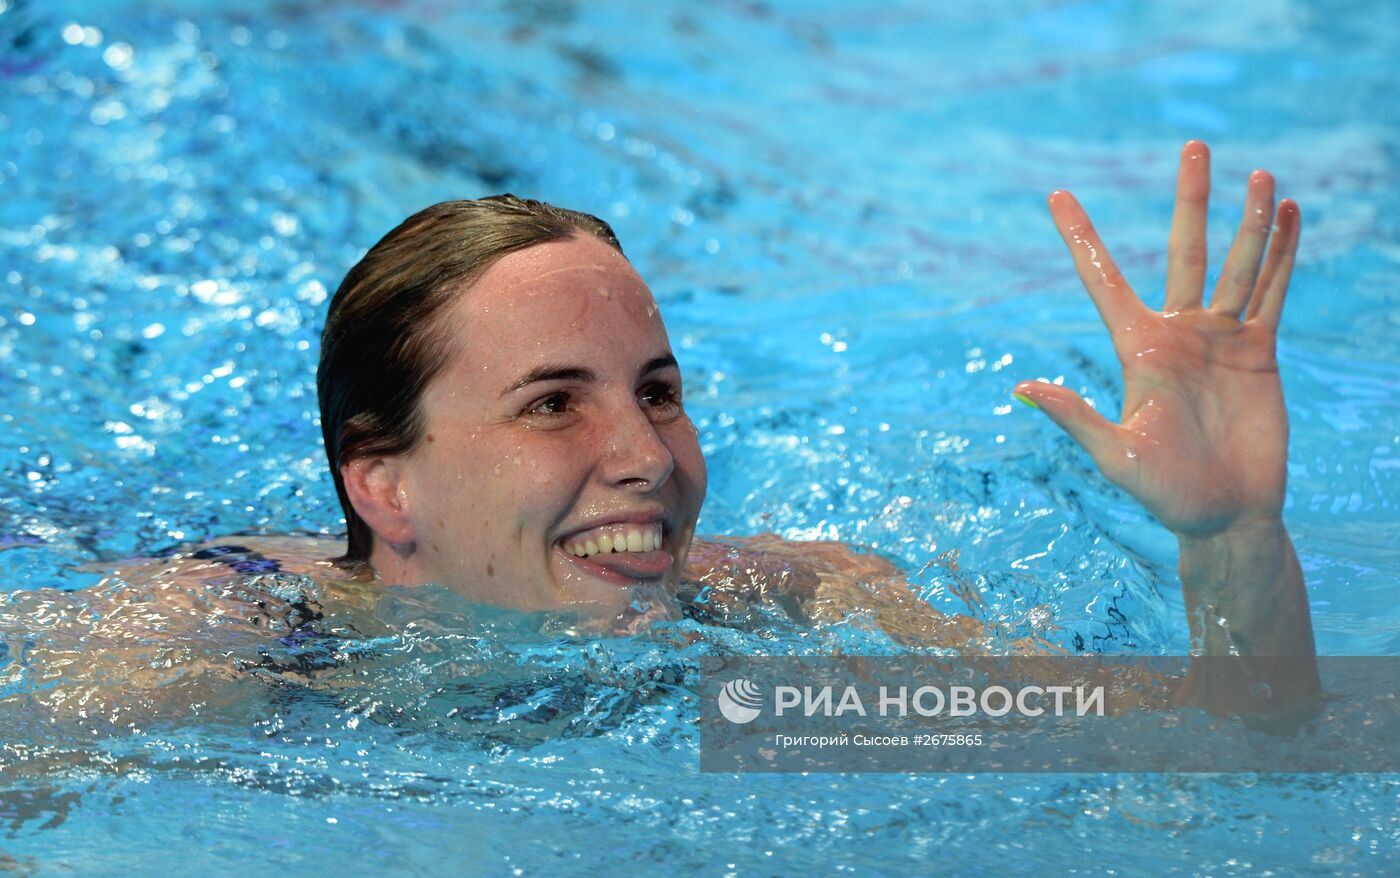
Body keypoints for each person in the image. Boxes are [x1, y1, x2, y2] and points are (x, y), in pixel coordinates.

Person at [40, 140, 1321, 718]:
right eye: (554, 402)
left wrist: (1232, 542)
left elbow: (1217, 746)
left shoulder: (788, 603)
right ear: (383, 484)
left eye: (656, 388)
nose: (647, 455)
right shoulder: (225, 639)